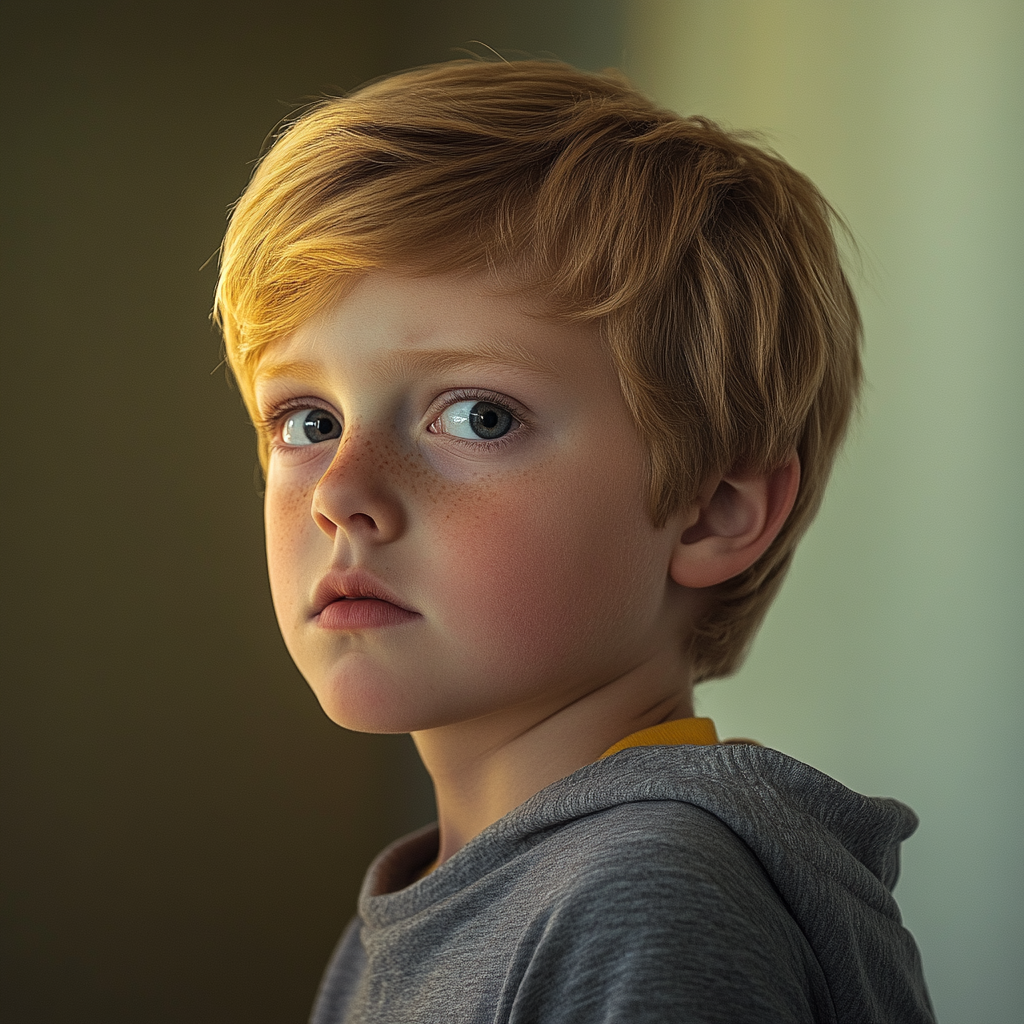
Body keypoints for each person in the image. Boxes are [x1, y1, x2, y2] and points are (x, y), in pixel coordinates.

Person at [214, 59, 935, 1023]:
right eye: (307, 422)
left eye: (475, 417)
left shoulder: (645, 900)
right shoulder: (440, 901)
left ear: (715, 511)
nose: (341, 494)